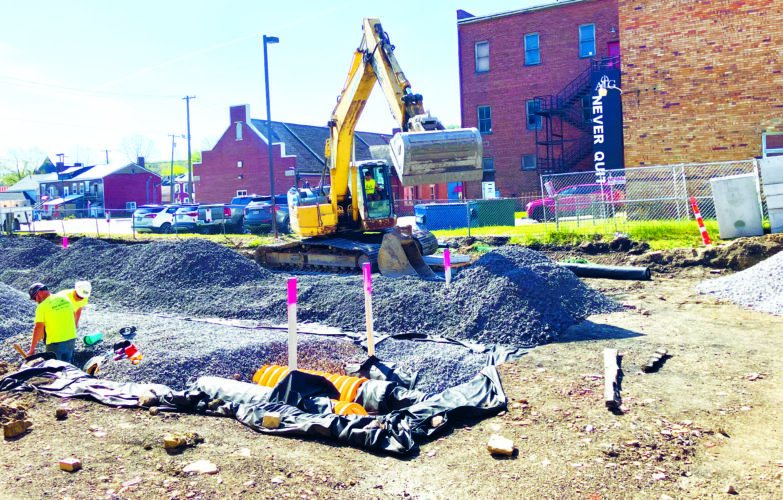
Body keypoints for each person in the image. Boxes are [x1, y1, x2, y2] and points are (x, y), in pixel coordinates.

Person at [27, 283, 77, 363]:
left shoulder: (42, 306)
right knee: (67, 366)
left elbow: (39, 327)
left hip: (55, 343)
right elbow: (74, 315)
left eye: (34, 298)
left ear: (39, 292)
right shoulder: (65, 298)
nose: (35, 301)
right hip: (71, 339)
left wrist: (32, 349)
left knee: (54, 368)